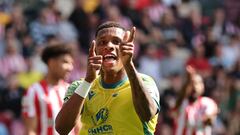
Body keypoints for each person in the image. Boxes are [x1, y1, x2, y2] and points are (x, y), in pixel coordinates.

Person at [55, 21, 160, 135]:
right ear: (95, 51)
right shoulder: (80, 86)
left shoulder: (145, 82)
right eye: (102, 42)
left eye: (116, 42)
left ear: (127, 47)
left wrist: (128, 65)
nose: (109, 46)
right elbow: (62, 129)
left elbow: (147, 114)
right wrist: (88, 81)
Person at [22, 44, 76, 135]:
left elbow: (78, 126)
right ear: (51, 62)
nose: (70, 68)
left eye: (72, 64)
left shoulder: (72, 91)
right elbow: (30, 130)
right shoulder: (33, 91)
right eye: (65, 62)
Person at [173, 66, 218, 135]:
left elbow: (210, 118)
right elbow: (177, 106)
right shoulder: (182, 104)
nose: (195, 86)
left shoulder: (208, 103)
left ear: (203, 86)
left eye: (198, 83)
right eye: (192, 83)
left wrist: (207, 117)